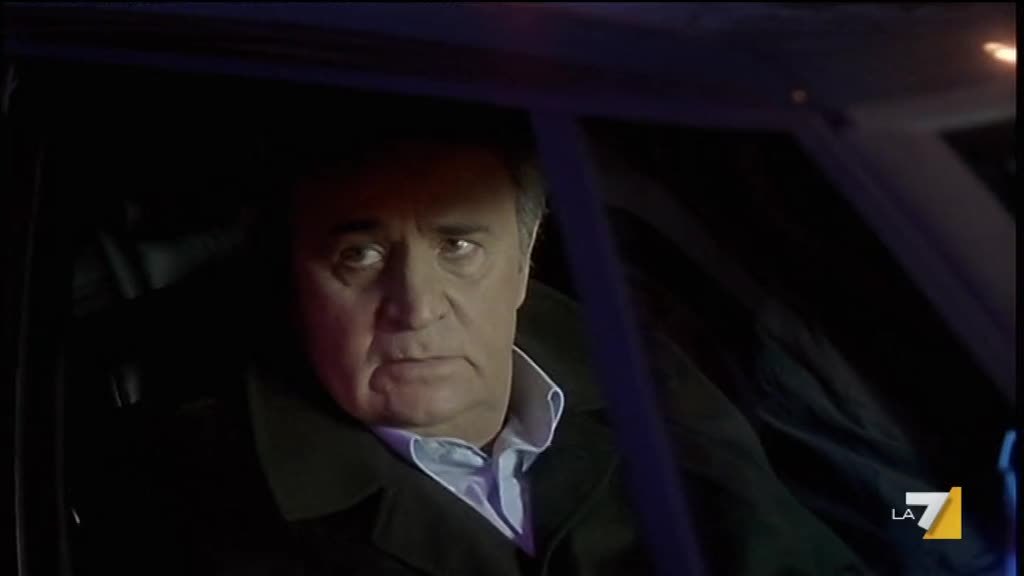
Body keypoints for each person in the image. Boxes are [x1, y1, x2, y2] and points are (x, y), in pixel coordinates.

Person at [125, 98, 868, 576]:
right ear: (295, 278)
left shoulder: (635, 368)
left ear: (525, 259)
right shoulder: (200, 500)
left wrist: (935, 518)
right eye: (360, 255)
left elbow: (827, 529)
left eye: (458, 247)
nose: (416, 309)